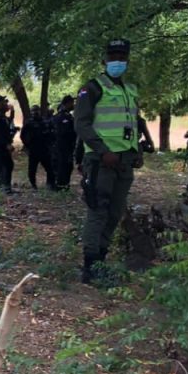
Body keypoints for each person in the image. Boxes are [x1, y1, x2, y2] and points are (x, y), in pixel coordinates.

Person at [74, 38, 142, 284]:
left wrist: (137, 153)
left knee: (115, 212)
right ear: (104, 60)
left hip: (123, 161)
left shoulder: (130, 90)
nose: (117, 61)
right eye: (113, 56)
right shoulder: (92, 88)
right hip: (101, 161)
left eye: (122, 57)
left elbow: (133, 123)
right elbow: (81, 124)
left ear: (127, 60)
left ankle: (101, 262)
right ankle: (90, 267)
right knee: (98, 211)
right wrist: (103, 151)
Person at [20, 105, 56, 190]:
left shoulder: (45, 122)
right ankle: (33, 185)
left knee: (50, 168)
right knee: (32, 170)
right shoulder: (29, 123)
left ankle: (50, 184)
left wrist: (50, 144)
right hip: (33, 149)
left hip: (44, 149)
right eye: (33, 111)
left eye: (36, 111)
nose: (35, 113)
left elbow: (52, 134)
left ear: (39, 111)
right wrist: (27, 145)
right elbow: (23, 135)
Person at [51, 95, 77, 189]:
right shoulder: (62, 116)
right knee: (62, 165)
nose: (73, 105)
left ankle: (65, 184)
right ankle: (61, 185)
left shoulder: (68, 116)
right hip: (62, 146)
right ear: (68, 103)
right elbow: (63, 132)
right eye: (72, 103)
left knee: (68, 166)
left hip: (68, 146)